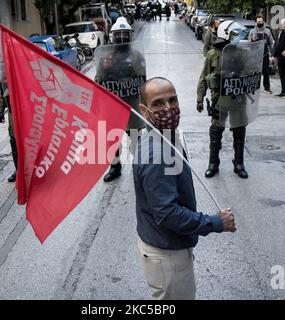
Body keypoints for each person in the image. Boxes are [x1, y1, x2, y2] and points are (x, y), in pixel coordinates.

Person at [134, 77, 236, 300]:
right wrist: (216, 222)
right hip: (167, 256)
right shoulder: (157, 153)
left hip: (166, 248)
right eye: (158, 103)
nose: (168, 109)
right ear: (144, 110)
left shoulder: (163, 137)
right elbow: (167, 213)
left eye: (173, 100)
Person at [197, 20, 260, 179]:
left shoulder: (243, 52)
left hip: (238, 99)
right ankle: (213, 163)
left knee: (239, 130)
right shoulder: (213, 54)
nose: (237, 37)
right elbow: (203, 77)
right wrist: (200, 98)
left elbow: (251, 72)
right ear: (225, 34)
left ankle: (239, 163)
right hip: (220, 100)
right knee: (216, 131)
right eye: (234, 34)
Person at [95, 17, 146, 182]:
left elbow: (142, 79)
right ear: (113, 36)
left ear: (130, 35)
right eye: (119, 34)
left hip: (131, 102)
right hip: (113, 104)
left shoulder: (136, 56)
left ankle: (138, 167)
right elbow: (98, 81)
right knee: (112, 138)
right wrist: (106, 69)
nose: (122, 37)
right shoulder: (106, 57)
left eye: (125, 34)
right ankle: (115, 167)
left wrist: (126, 72)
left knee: (135, 136)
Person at [0, 65, 18, 182]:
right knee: (13, 142)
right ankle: (18, 169)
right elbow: (2, 94)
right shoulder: (3, 73)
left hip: (25, 113)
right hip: (12, 115)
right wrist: (0, 110)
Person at [248, 15, 274, 94]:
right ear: (256, 22)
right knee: (254, 72)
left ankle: (267, 88)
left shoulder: (267, 31)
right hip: (255, 54)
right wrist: (252, 40)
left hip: (265, 54)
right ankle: (253, 87)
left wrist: (272, 54)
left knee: (266, 72)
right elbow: (248, 42)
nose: (260, 23)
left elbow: (271, 43)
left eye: (262, 21)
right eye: (259, 22)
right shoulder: (252, 31)